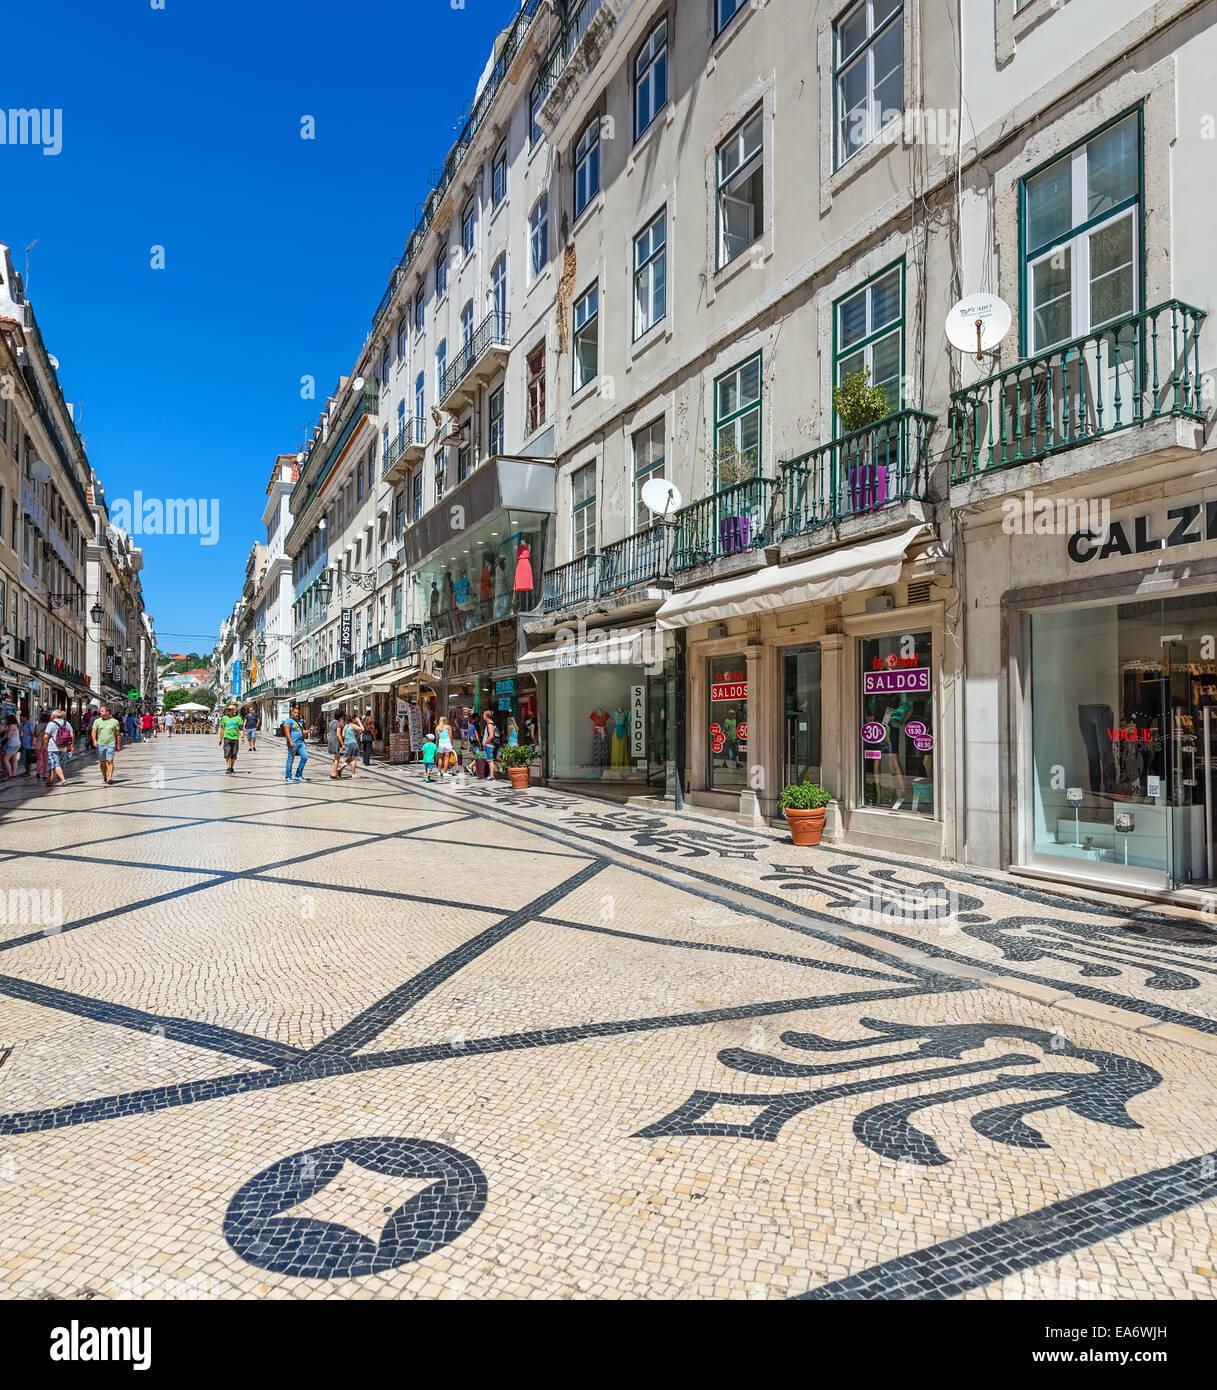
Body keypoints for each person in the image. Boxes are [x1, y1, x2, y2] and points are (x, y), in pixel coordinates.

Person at [91, 703, 122, 785]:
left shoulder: (115, 722)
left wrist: (118, 744)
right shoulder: (97, 721)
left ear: (108, 712)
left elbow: (117, 734)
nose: (100, 712)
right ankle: (104, 776)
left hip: (111, 744)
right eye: (100, 711)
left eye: (102, 711)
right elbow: (94, 731)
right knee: (102, 762)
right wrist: (94, 740)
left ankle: (110, 777)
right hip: (100, 744)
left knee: (110, 760)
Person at [43, 708, 73, 788]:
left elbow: (46, 736)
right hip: (64, 746)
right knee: (55, 764)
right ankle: (50, 780)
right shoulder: (67, 723)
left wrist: (44, 744)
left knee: (56, 764)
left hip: (53, 747)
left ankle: (63, 780)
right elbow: (71, 735)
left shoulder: (51, 723)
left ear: (53, 716)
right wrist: (70, 745)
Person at [282, 705, 308, 782]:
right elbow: (286, 732)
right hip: (293, 742)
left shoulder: (299, 722)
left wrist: (310, 730)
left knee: (305, 757)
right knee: (291, 758)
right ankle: (288, 776)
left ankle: (298, 774)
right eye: (295, 712)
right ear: (291, 712)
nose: (296, 714)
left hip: (301, 743)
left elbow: (302, 731)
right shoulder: (288, 720)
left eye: (298, 713)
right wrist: (290, 741)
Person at [219, 701, 243, 774]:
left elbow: (241, 728)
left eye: (230, 710)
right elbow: (222, 729)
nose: (228, 711)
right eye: (227, 710)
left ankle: (232, 767)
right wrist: (220, 739)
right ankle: (229, 767)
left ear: (234, 710)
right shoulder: (224, 718)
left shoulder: (238, 718)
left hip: (235, 738)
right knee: (227, 752)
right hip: (227, 737)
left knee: (234, 754)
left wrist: (242, 737)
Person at [480, 710, 498, 779]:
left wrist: (485, 742)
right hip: (489, 745)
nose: (483, 716)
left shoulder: (490, 725)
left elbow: (491, 736)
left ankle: (492, 776)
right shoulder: (491, 724)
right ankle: (490, 775)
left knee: (490, 761)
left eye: (484, 715)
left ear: (486, 716)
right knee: (490, 760)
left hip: (488, 745)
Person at [328, 713, 346, 779]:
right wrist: (343, 744)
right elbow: (338, 734)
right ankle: (334, 774)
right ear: (340, 717)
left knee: (335, 757)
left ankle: (333, 771)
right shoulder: (338, 724)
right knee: (337, 758)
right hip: (335, 741)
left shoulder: (331, 722)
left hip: (330, 740)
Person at [20, 709, 36, 777]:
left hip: (28, 743)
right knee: (24, 758)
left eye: (21, 717)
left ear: (25, 717)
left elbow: (32, 734)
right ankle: (26, 771)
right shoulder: (22, 724)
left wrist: (32, 743)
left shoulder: (30, 724)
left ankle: (28, 772)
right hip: (23, 743)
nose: (20, 718)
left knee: (28, 758)